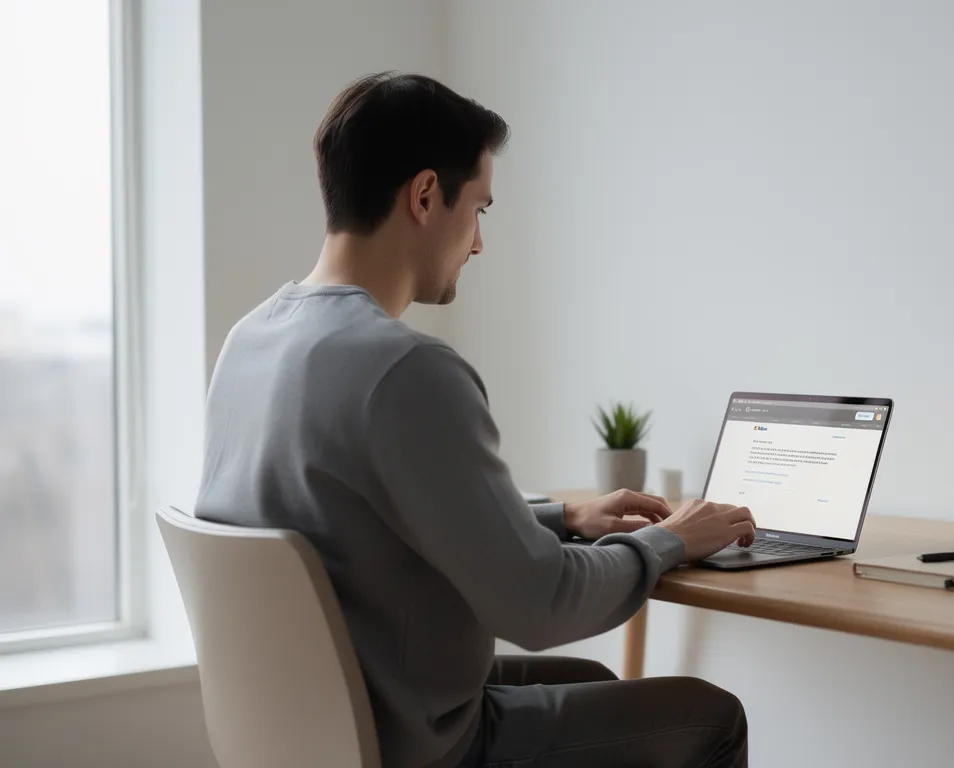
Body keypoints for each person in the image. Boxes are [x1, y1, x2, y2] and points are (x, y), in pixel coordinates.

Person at [194, 71, 756, 768]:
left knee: (595, 687)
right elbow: (541, 608)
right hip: (419, 745)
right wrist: (671, 540)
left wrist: (560, 520)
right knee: (712, 718)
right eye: (481, 208)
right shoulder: (406, 370)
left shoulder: (250, 340)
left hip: (327, 723)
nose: (480, 243)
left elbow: (360, 521)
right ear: (426, 195)